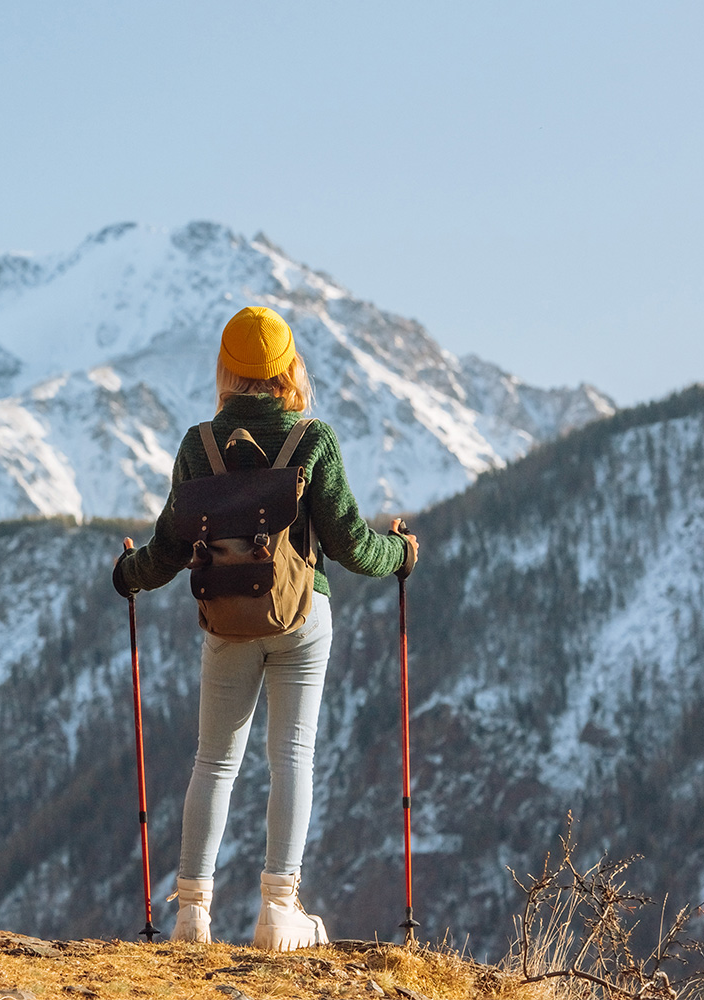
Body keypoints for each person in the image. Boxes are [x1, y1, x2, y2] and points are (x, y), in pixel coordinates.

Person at [112, 306, 419, 951]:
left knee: (214, 760)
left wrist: (128, 573)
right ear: (287, 368)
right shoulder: (312, 441)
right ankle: (279, 910)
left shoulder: (198, 447)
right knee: (292, 758)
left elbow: (169, 546)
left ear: (226, 369)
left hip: (224, 618)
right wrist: (403, 553)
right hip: (301, 616)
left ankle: (192, 912)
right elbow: (353, 546)